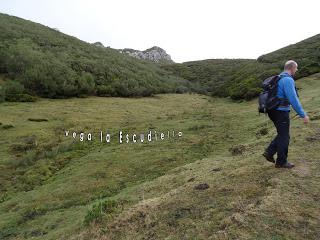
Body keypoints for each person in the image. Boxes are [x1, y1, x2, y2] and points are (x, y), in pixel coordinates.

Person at [262, 60, 309, 168]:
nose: (296, 70)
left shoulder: (278, 78)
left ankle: (269, 152)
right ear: (292, 68)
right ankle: (281, 162)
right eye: (296, 68)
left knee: (283, 134)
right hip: (280, 111)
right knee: (284, 137)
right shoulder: (287, 80)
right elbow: (293, 99)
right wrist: (303, 115)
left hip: (272, 111)